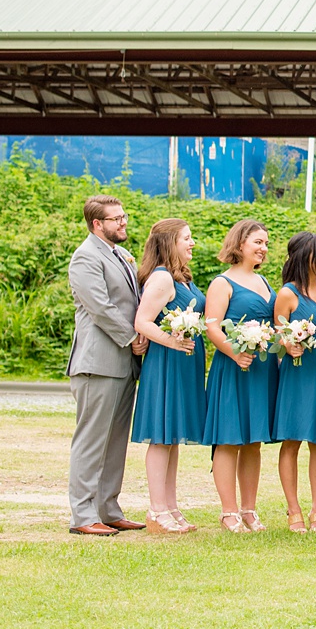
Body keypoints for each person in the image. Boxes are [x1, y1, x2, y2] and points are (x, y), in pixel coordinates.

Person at [66, 195, 147, 537]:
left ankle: (109, 509)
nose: (123, 222)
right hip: (98, 361)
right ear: (97, 224)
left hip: (125, 363)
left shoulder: (119, 255)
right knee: (91, 440)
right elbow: (99, 307)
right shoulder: (85, 257)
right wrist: (132, 337)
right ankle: (83, 515)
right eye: (116, 219)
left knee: (115, 441)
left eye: (124, 216)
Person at [201, 219, 277, 533]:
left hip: (261, 368)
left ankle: (249, 509)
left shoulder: (265, 282)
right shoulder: (223, 282)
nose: (263, 248)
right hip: (233, 367)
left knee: (254, 441)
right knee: (229, 439)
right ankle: (228, 512)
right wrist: (235, 352)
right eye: (257, 241)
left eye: (266, 243)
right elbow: (211, 326)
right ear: (240, 242)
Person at [129, 218, 204, 534]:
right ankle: (157, 510)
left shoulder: (182, 277)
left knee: (172, 437)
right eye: (187, 238)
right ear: (170, 242)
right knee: (161, 436)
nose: (192, 243)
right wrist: (172, 340)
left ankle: (171, 506)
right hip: (167, 363)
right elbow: (142, 321)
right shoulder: (161, 279)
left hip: (185, 362)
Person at [272, 231, 316, 534]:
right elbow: (277, 334)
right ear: (304, 255)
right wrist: (289, 343)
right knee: (292, 440)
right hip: (297, 374)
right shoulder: (288, 293)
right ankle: (293, 510)